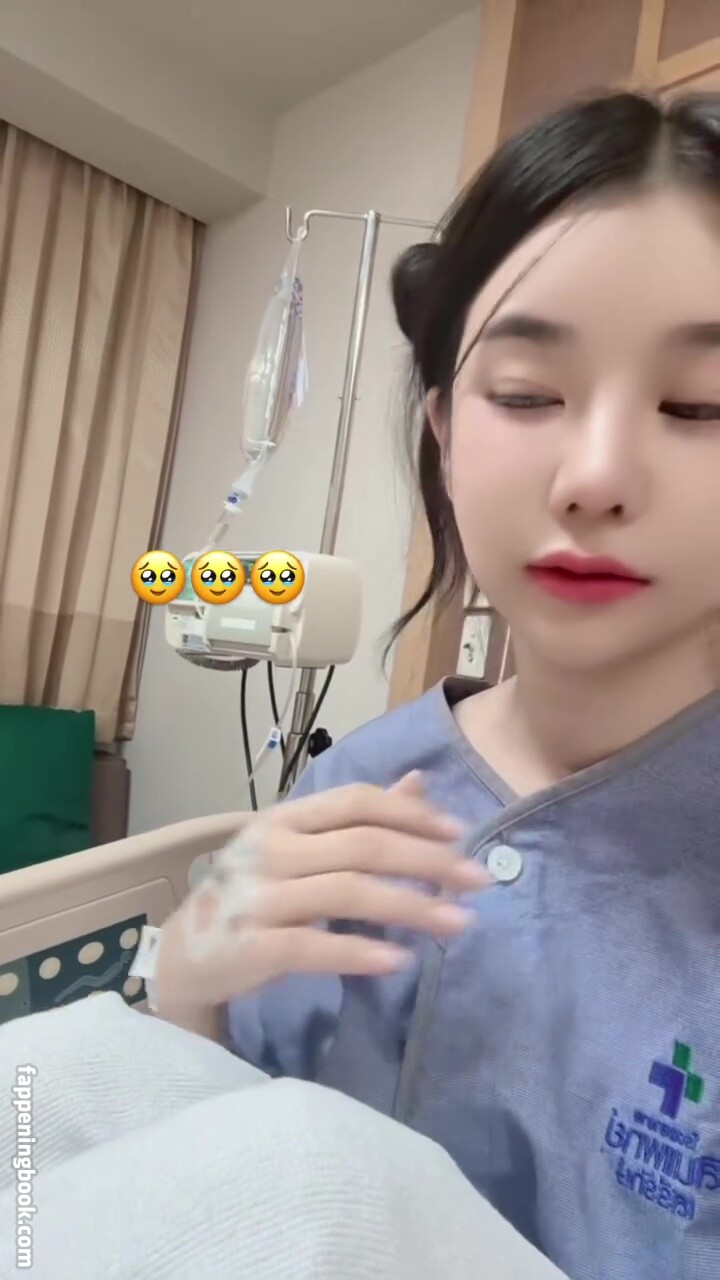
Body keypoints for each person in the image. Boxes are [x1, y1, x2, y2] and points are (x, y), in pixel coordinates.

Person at [155, 90, 720, 1280]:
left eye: (698, 404)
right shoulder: (356, 788)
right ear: (446, 432)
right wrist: (189, 988)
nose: (596, 476)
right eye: (526, 393)